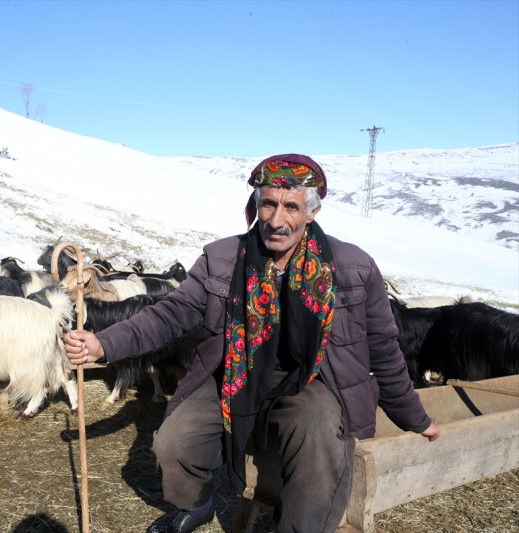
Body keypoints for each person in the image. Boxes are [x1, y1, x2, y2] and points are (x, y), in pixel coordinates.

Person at [64, 154, 440, 533]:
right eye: (269, 204)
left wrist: (415, 417)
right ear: (256, 205)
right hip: (235, 372)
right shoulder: (222, 259)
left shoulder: (353, 268)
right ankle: (196, 505)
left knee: (318, 431)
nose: (277, 220)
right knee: (173, 442)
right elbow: (170, 313)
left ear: (312, 212)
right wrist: (103, 344)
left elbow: (384, 347)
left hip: (310, 381)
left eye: (290, 207)